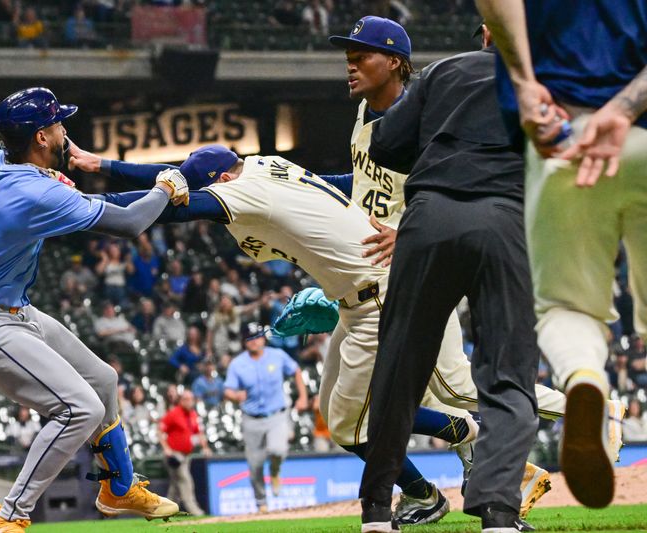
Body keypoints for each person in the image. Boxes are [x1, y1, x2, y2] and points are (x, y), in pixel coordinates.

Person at [64, 142, 483, 523]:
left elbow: (168, 204)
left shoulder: (241, 192)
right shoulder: (266, 164)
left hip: (374, 297)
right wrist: (101, 164)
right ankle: (434, 471)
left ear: (222, 181)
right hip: (358, 296)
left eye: (202, 187)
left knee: (358, 424)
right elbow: (173, 176)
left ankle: (455, 442)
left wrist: (78, 202)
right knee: (340, 420)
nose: (195, 192)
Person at [348, 20, 580, 531]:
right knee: (507, 373)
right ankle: (497, 511)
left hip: (427, 219)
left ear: (485, 32)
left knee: (399, 368)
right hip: (505, 221)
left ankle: (377, 512)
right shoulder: (556, 87)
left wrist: (437, 142)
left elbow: (385, 144)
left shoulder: (441, 73)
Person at [0, 87, 187, 531]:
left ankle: (118, 486)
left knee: (104, 380)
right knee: (80, 409)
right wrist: (164, 188)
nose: (64, 130)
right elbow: (130, 223)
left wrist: (32, 196)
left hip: (12, 309)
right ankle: (9, 518)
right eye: (57, 124)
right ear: (40, 137)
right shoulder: (37, 192)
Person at [475, 0, 646, 511]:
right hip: (641, 130)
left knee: (566, 308)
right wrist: (626, 109)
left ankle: (584, 379)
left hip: (562, 131)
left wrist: (524, 82)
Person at [224, 323, 307, 512]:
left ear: (263, 337)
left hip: (276, 414)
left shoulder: (277, 355)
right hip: (251, 418)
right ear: (245, 342)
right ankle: (261, 503)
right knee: (255, 465)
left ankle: (275, 471)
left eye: (257, 336)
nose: (254, 341)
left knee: (278, 450)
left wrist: (302, 397)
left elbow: (296, 370)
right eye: (250, 338)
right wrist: (235, 396)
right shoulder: (238, 364)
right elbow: (228, 390)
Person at [159, 390, 210, 517]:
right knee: (185, 480)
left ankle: (165, 511)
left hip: (186, 455)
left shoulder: (193, 414)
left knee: (176, 485)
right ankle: (194, 510)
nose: (189, 402)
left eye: (191, 399)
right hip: (174, 455)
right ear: (181, 401)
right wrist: (166, 448)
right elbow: (160, 431)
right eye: (186, 399)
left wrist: (205, 447)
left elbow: (199, 432)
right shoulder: (173, 413)